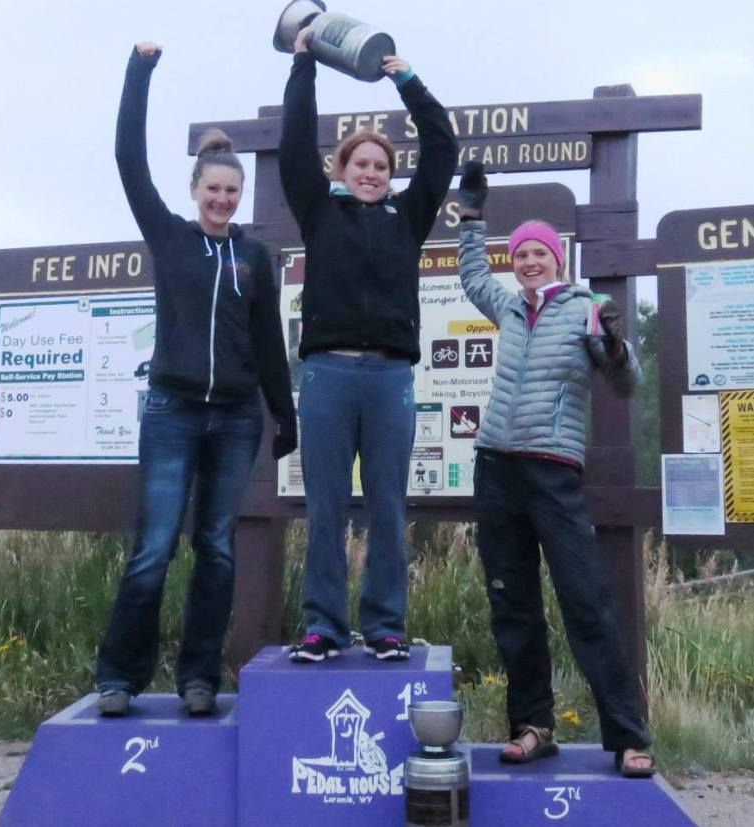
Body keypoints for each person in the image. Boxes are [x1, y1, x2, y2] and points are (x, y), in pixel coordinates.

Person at [95, 43, 297, 716]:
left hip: (236, 418)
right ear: (195, 191)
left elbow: (268, 341)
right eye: (212, 189)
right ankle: (119, 677)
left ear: (240, 197)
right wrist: (139, 72)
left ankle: (199, 678)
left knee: (216, 548)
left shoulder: (254, 257)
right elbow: (127, 158)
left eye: (231, 192)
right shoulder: (170, 235)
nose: (221, 199)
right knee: (153, 548)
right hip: (173, 412)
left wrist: (284, 413)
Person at [456, 162, 655, 777]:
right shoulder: (509, 306)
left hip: (553, 473)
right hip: (496, 469)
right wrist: (471, 220)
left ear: (558, 260)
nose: (529, 261)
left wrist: (615, 346)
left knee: (586, 603)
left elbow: (626, 383)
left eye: (539, 253)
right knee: (512, 606)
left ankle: (628, 738)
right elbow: (472, 276)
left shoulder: (587, 308)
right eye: (521, 254)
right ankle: (532, 727)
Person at [280, 30, 458, 663]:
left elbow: (443, 147)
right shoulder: (317, 211)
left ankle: (384, 626)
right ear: (342, 170)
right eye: (361, 165)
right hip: (327, 375)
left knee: (387, 506)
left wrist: (408, 82)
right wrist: (304, 65)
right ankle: (323, 627)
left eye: (381, 167)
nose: (372, 174)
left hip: (388, 380)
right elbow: (294, 144)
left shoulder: (408, 217)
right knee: (325, 507)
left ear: (390, 176)